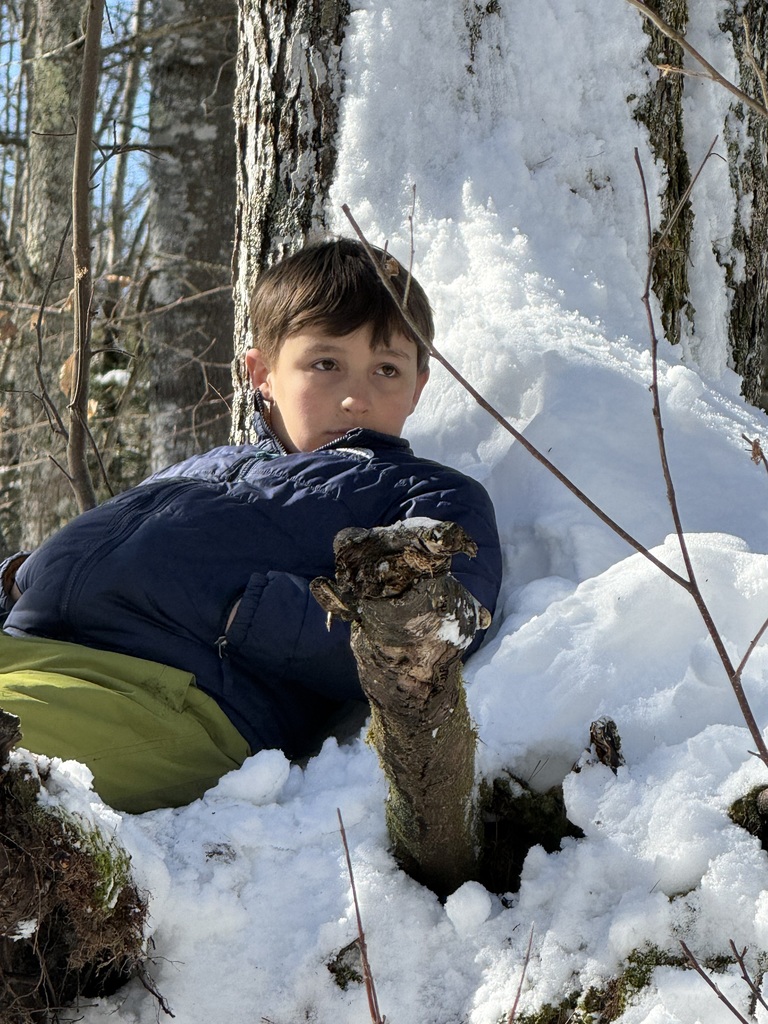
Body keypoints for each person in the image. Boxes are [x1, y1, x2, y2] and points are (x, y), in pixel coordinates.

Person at [0, 238, 502, 813]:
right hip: (28, 650)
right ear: (262, 371)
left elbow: (437, 624)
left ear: (417, 386)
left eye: (386, 369)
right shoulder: (202, 467)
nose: (355, 398)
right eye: (326, 364)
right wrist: (18, 576)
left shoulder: (423, 493)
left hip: (165, 696)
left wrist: (248, 611)